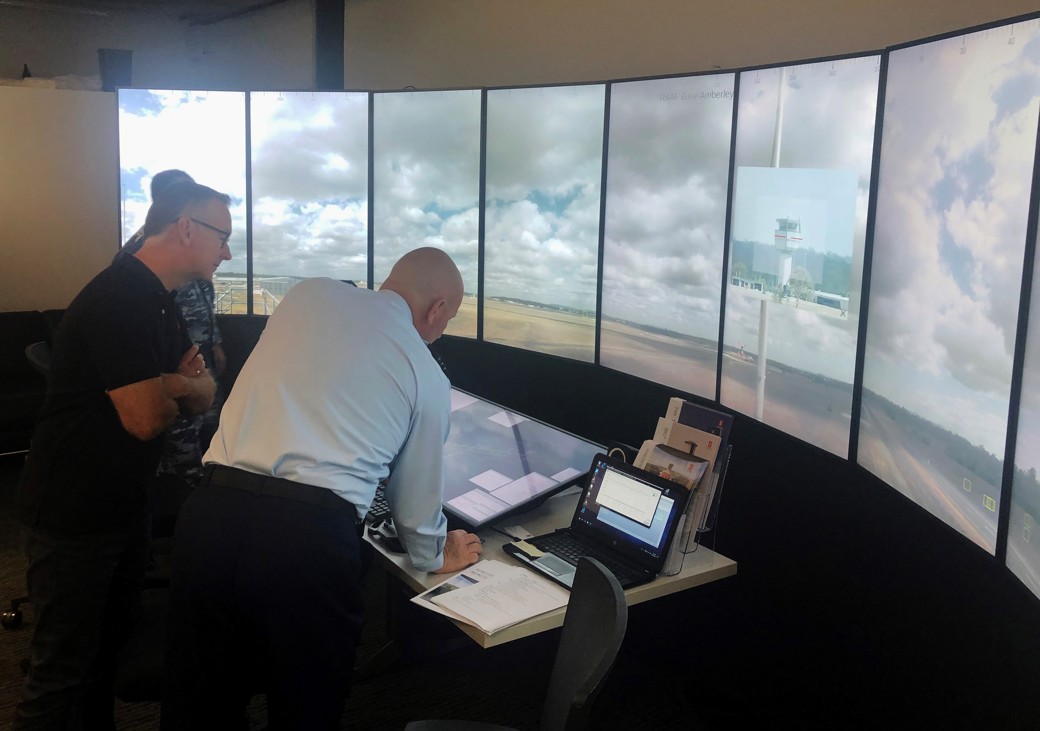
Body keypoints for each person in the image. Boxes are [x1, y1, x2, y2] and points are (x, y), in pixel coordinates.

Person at [160, 247, 483, 730]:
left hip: (210, 514)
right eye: (448, 319)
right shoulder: (428, 376)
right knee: (305, 707)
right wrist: (438, 553)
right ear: (437, 309)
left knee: (199, 701)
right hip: (305, 541)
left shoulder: (306, 294)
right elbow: (415, 511)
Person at [12, 181, 232, 730]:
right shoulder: (119, 299)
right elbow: (147, 419)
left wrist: (173, 385)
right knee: (59, 677)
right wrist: (176, 384)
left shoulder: (159, 299)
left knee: (105, 657)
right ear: (187, 228)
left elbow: (205, 394)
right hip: (73, 514)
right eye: (222, 237)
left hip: (124, 504)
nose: (227, 253)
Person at [119, 169, 227, 485]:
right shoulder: (140, 261)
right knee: (180, 443)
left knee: (211, 426)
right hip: (172, 362)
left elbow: (205, 300)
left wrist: (215, 342)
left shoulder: (192, 259)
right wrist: (175, 378)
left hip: (200, 354)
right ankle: (183, 493)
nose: (226, 253)